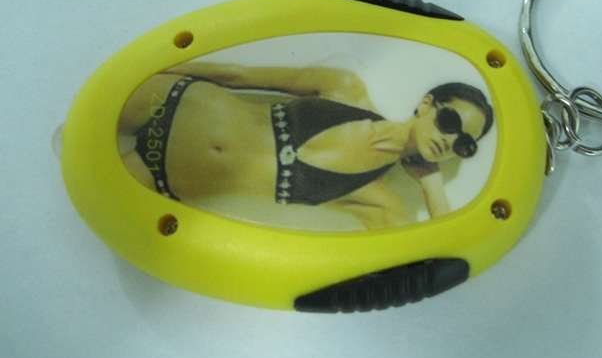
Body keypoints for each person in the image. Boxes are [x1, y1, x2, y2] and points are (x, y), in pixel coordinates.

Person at [118, 62, 493, 229]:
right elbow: (238, 75)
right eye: (450, 122)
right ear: (427, 104)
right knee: (93, 102)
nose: (450, 139)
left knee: (89, 181)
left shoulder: (377, 201)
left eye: (464, 145)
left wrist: (431, 184)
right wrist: (151, 64)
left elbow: (437, 254)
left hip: (163, 175)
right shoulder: (346, 89)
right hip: (175, 99)